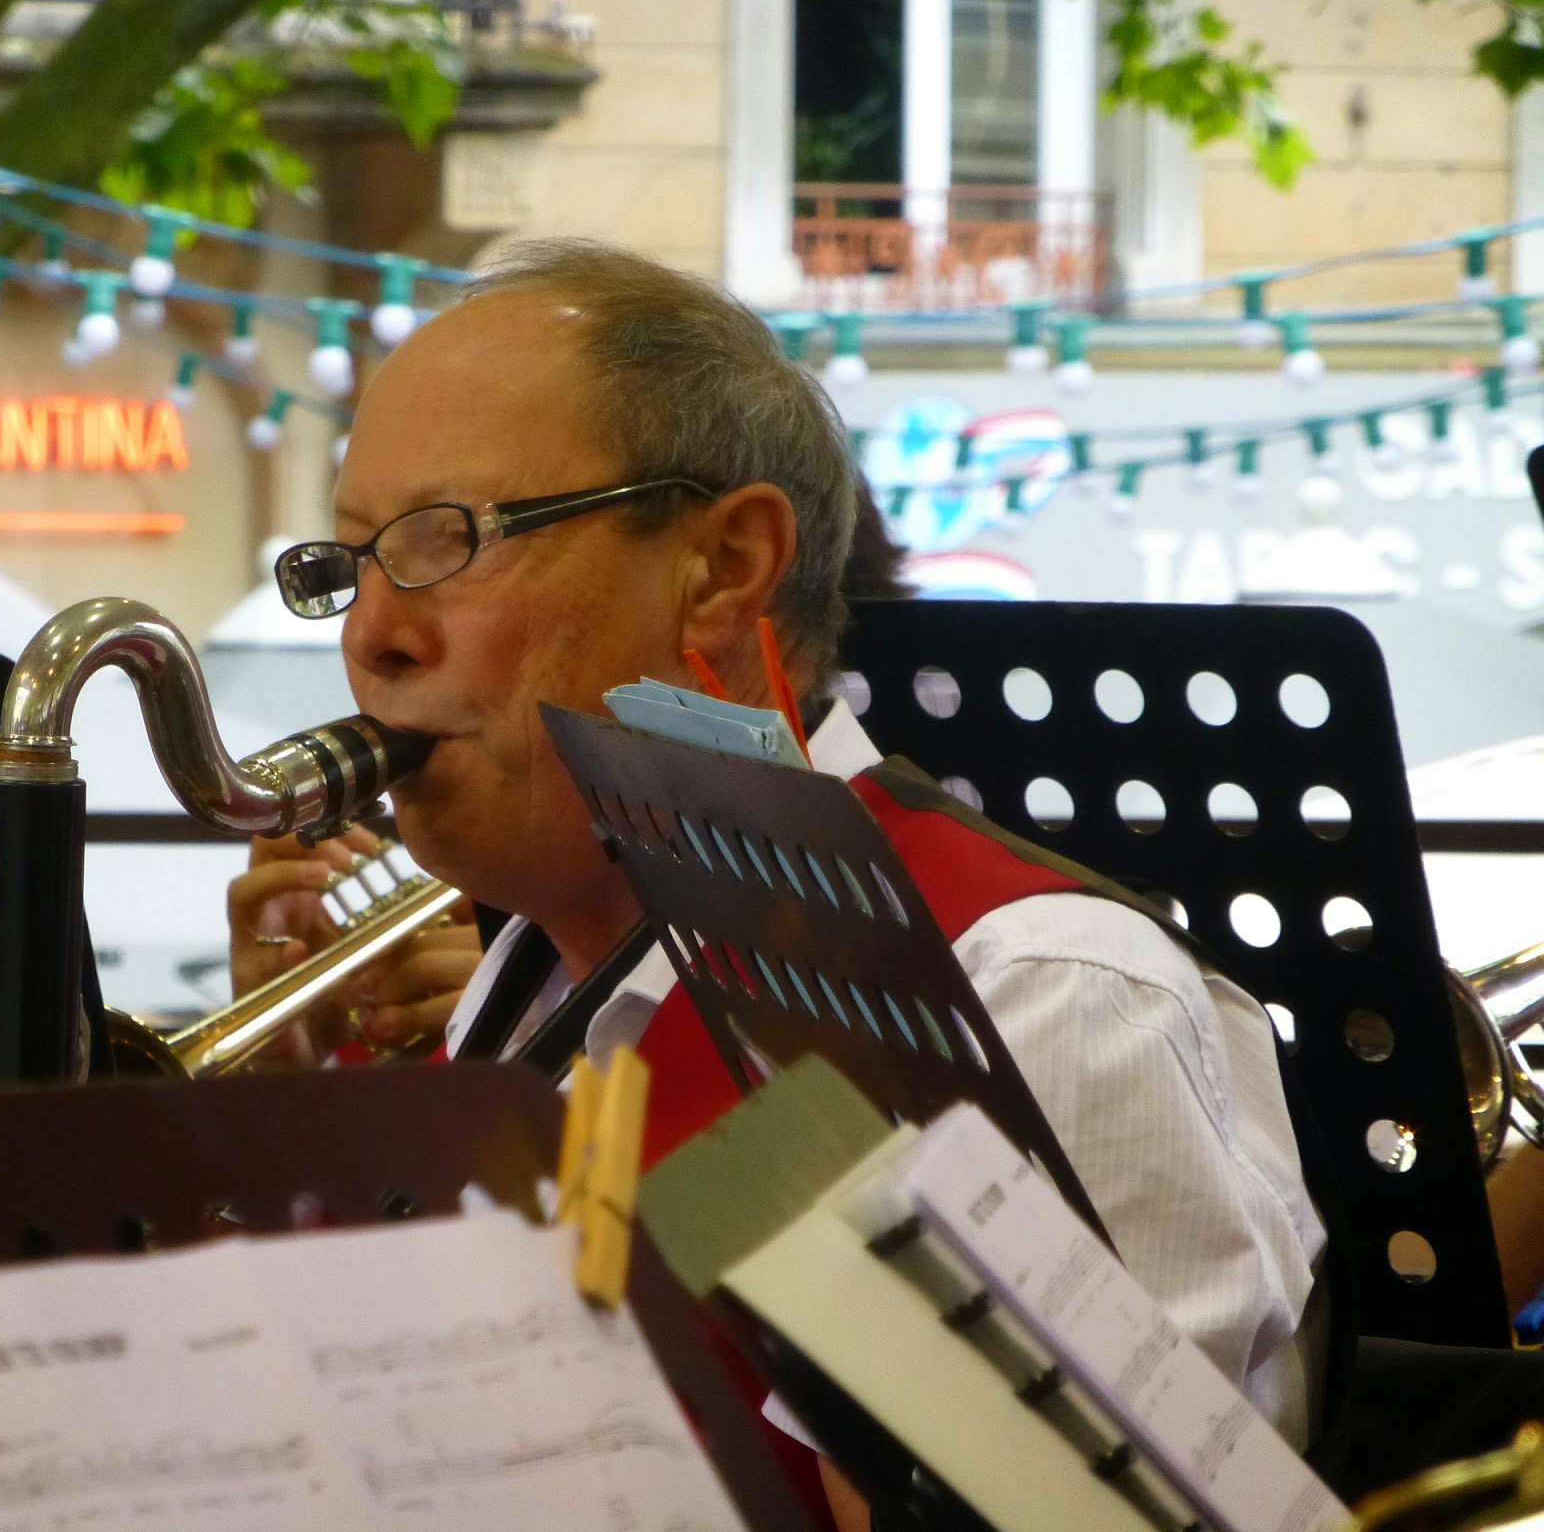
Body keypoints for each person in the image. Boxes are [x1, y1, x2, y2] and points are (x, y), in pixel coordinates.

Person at [227, 238, 1325, 1527]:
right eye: (351, 563)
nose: (374, 633)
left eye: (447, 541)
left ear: (724, 568)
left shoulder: (1040, 993)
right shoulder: (526, 978)